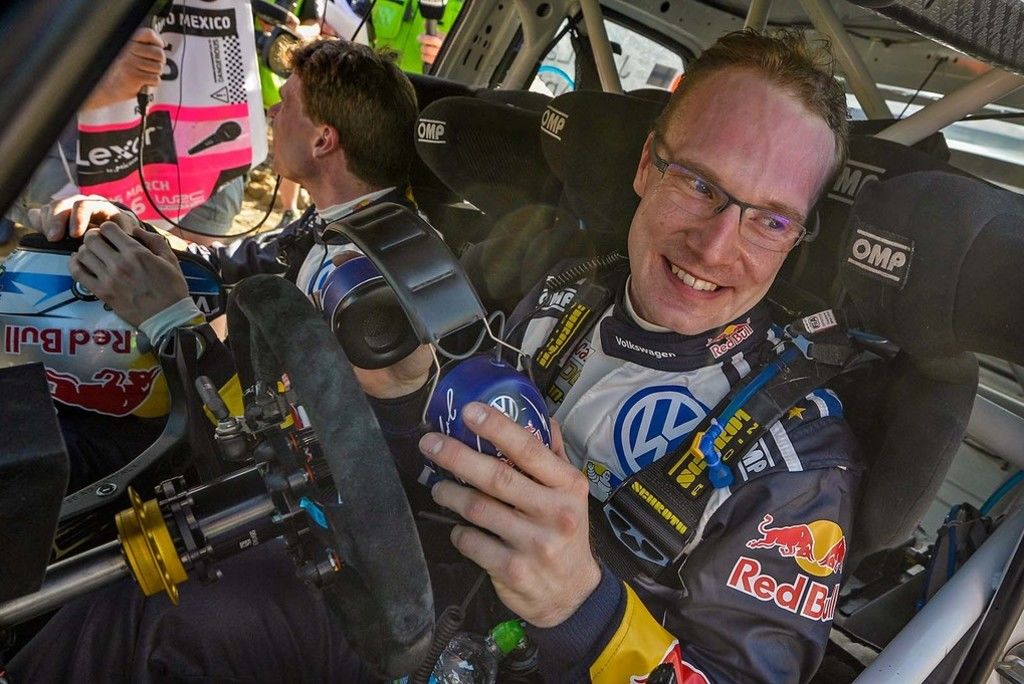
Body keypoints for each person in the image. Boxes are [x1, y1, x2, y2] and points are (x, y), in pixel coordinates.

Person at [8, 29, 855, 683]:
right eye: (700, 184)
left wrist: (585, 608)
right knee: (157, 598)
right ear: (646, 166)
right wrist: (400, 401)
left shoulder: (795, 452)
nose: (715, 245)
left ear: (798, 237)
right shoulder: (567, 293)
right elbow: (430, 470)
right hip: (408, 616)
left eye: (769, 219)